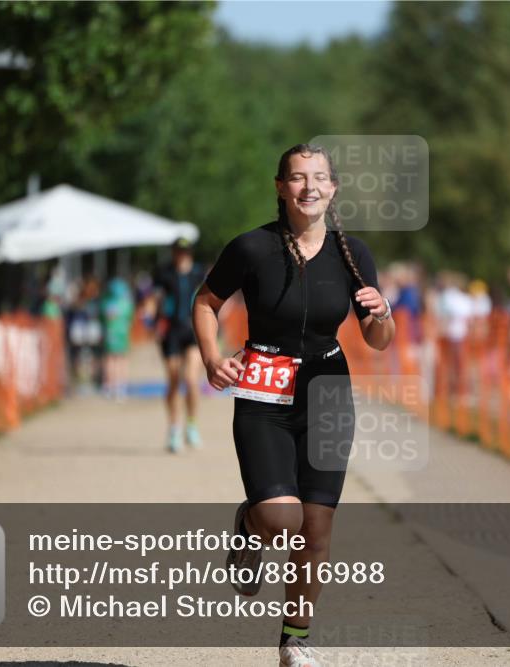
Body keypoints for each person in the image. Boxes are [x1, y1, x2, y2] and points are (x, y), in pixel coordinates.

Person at [192, 143, 394, 667]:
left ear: (333, 188)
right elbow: (206, 302)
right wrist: (212, 357)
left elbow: (378, 340)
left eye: (319, 177)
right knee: (282, 518)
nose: (310, 187)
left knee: (316, 530)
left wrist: (382, 313)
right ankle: (250, 526)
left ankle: (294, 641)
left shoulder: (354, 254)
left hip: (327, 394)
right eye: (299, 178)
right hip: (264, 390)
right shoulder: (251, 248)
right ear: (281, 187)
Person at [154, 238, 205, 452]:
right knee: (174, 380)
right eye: (178, 251)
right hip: (171, 331)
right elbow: (155, 299)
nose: (181, 255)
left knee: (191, 380)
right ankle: (174, 429)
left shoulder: (199, 273)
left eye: (185, 251)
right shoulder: (163, 273)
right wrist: (152, 316)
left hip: (193, 329)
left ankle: (191, 424)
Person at [100, 277, 134, 402]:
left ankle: (109, 386)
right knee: (122, 360)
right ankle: (121, 386)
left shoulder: (106, 303)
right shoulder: (126, 303)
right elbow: (130, 318)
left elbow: (101, 318)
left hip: (110, 334)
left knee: (110, 360)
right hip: (122, 334)